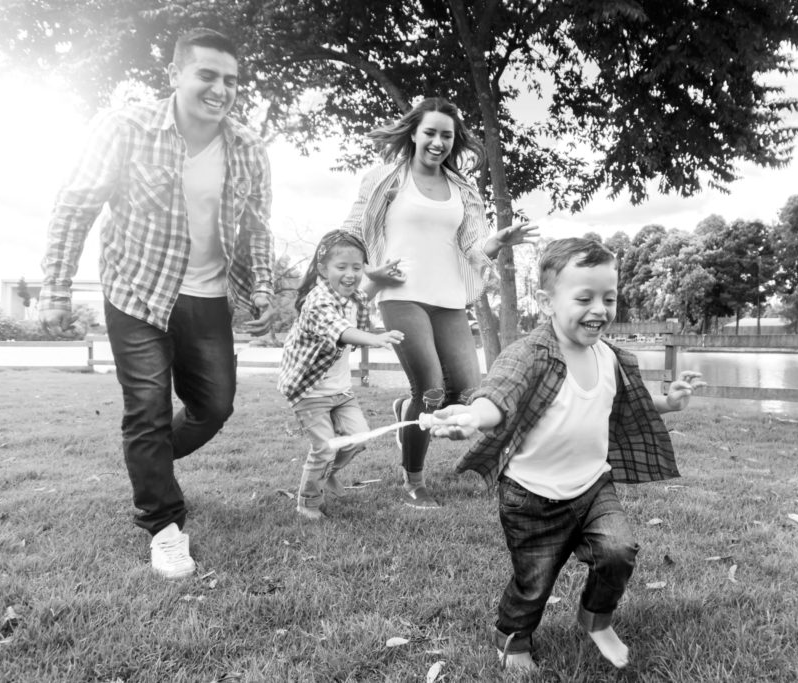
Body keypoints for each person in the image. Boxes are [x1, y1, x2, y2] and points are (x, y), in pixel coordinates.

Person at [38, 28, 276, 579]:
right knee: (145, 408)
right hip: (138, 291)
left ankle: (146, 463)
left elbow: (257, 229)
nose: (221, 89)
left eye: (231, 80)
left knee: (214, 408)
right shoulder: (126, 127)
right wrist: (54, 287)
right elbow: (74, 206)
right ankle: (163, 523)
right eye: (207, 75)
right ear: (174, 75)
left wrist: (260, 284)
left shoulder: (248, 148)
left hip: (209, 297)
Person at [429, 237, 706, 671]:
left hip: (593, 485)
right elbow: (500, 393)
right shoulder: (530, 353)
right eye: (584, 298)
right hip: (531, 498)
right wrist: (473, 415)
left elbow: (626, 404)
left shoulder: (611, 358)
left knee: (618, 550)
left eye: (609, 298)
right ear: (546, 302)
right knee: (534, 582)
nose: (600, 309)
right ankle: (513, 639)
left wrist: (669, 402)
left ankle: (596, 617)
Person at [343, 96, 538, 509]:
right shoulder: (384, 178)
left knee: (468, 391)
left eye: (446, 135)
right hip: (401, 294)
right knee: (430, 389)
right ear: (413, 132)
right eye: (430, 132)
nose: (437, 142)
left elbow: (471, 247)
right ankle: (414, 481)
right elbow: (352, 230)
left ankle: (405, 411)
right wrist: (363, 277)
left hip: (448, 296)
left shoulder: (462, 189)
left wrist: (497, 242)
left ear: (455, 140)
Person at [278, 230, 405, 520]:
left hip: (340, 391)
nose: (350, 274)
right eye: (341, 267)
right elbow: (341, 331)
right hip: (309, 392)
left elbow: (364, 294)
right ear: (323, 270)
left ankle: (325, 474)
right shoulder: (319, 300)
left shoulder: (351, 296)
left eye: (357, 268)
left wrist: (378, 278)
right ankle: (307, 503)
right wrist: (374, 339)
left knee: (359, 439)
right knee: (324, 448)